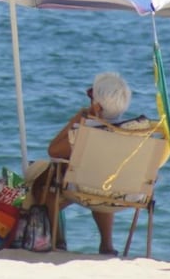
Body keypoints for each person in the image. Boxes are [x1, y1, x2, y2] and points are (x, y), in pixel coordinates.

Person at [36, 71, 134, 255]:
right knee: (105, 180)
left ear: (96, 106)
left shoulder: (86, 132)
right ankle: (107, 245)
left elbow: (53, 150)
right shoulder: (134, 135)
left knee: (46, 184)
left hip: (85, 189)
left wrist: (80, 117)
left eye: (91, 95)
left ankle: (58, 243)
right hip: (122, 194)